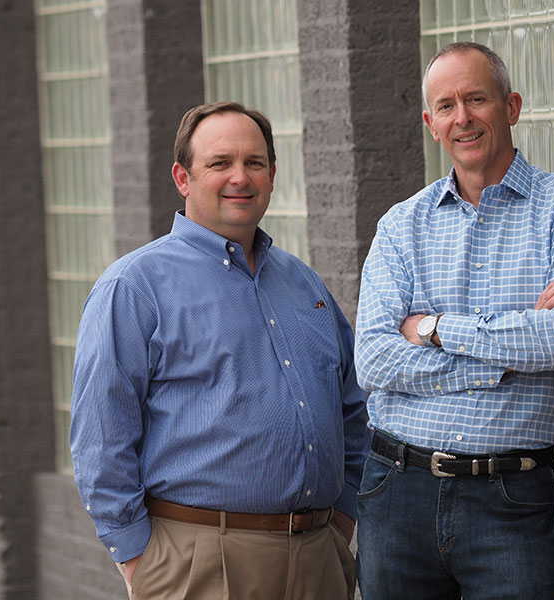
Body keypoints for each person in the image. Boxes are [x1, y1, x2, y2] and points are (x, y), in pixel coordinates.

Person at [69, 101, 370, 599]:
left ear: (273, 175)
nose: (240, 177)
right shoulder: (134, 287)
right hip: (199, 563)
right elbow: (101, 435)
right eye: (219, 163)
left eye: (254, 163)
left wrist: (343, 517)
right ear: (183, 178)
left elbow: (353, 406)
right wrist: (139, 559)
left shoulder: (304, 284)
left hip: (319, 558)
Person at [354, 42, 554, 599]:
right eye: (446, 106)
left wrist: (436, 328)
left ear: (511, 107)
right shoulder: (401, 227)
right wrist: (508, 354)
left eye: (476, 99)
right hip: (396, 492)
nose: (462, 118)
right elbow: (372, 360)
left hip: (510, 500)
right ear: (430, 123)